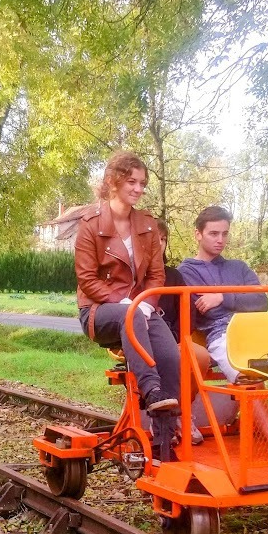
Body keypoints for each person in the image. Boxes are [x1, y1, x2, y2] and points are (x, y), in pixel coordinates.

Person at [179, 205, 268, 459]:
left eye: (225, 233)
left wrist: (222, 297)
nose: (220, 240)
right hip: (224, 334)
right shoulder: (187, 271)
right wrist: (237, 299)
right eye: (213, 233)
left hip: (259, 329)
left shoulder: (239, 267)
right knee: (249, 374)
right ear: (198, 234)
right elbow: (206, 311)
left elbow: (260, 302)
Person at [74, 151, 181, 423]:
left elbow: (156, 275)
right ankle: (152, 391)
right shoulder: (90, 225)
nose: (138, 189)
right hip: (98, 310)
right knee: (129, 315)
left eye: (142, 183)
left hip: (140, 308)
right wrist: (123, 302)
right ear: (113, 181)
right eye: (131, 182)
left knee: (170, 355)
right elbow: (87, 279)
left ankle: (168, 432)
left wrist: (146, 304)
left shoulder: (147, 225)